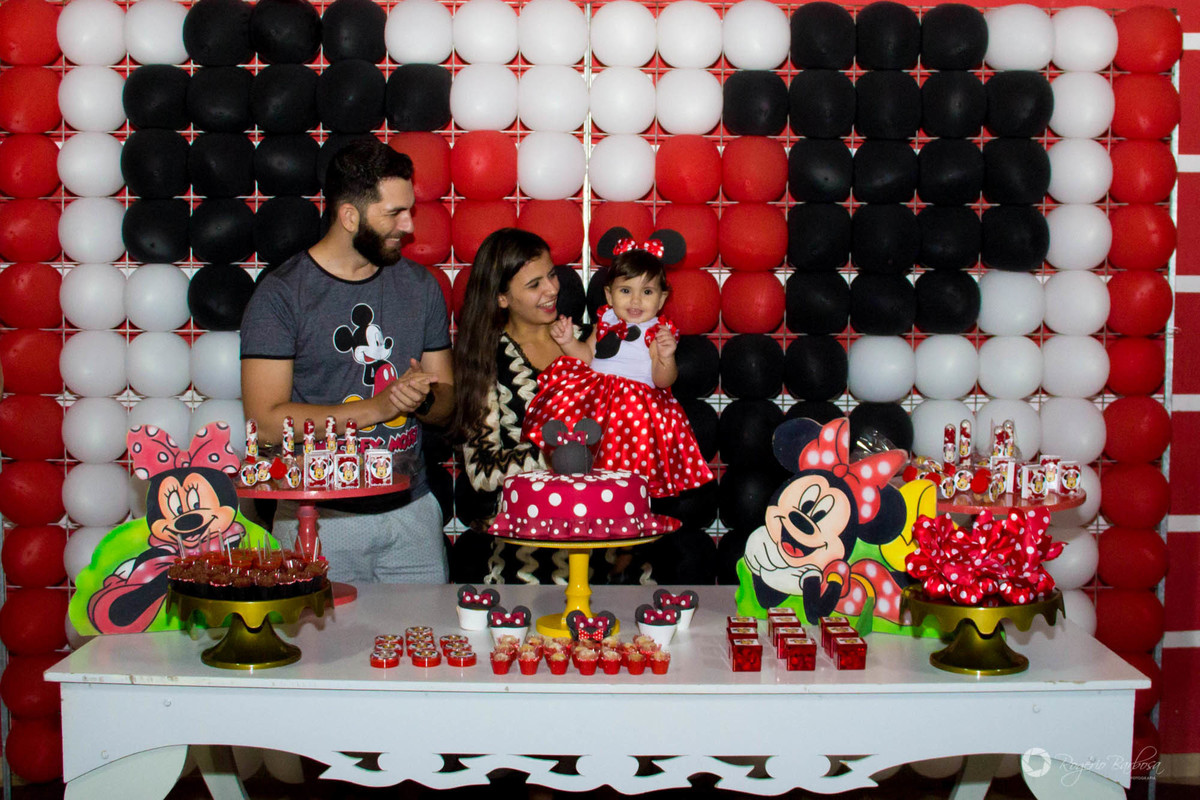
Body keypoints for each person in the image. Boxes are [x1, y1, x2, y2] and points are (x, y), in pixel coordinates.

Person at [240, 139, 454, 584]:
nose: (409, 225)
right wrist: (379, 407)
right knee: (319, 634)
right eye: (394, 213)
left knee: (424, 631)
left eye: (409, 210)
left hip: (412, 513)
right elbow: (265, 422)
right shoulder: (282, 294)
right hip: (316, 514)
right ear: (349, 216)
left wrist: (421, 398)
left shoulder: (421, 287)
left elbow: (446, 399)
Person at [451, 228, 710, 585]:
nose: (552, 290)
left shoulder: (601, 339)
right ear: (501, 297)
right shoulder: (486, 361)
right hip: (530, 561)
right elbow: (482, 471)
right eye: (534, 284)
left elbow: (645, 431)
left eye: (552, 275)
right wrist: (564, 454)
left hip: (613, 557)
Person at [521, 228, 713, 498]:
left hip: (633, 411)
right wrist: (567, 342)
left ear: (662, 298)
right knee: (586, 464)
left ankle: (623, 505)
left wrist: (667, 357)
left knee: (625, 469)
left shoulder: (658, 332)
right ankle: (587, 503)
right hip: (595, 403)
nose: (636, 301)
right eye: (625, 290)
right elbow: (587, 357)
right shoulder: (606, 320)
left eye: (647, 292)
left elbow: (662, 381)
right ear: (609, 296)